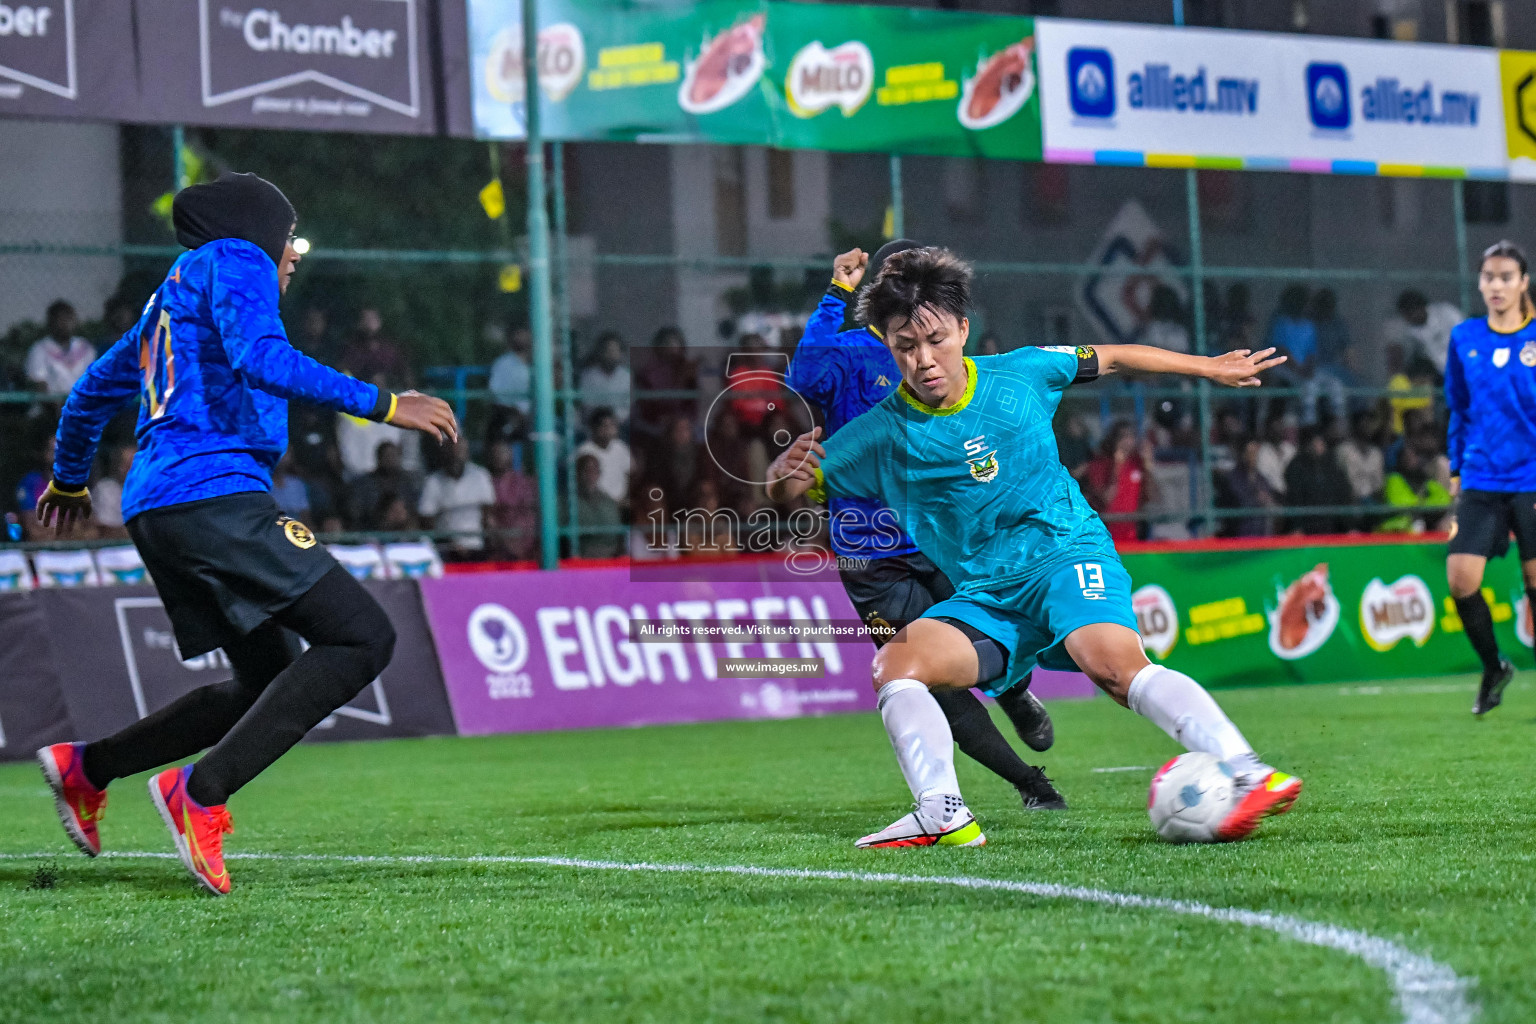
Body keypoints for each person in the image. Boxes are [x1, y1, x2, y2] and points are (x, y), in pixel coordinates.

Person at [766, 247, 1300, 848]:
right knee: (897, 665)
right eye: (905, 347)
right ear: (888, 347)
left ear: (962, 329)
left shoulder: (1021, 372)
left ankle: (1246, 769)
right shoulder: (878, 432)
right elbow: (794, 485)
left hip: (1065, 554)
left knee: (1114, 667)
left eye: (935, 340)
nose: (924, 360)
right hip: (988, 594)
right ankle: (943, 814)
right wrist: (783, 470)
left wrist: (1208, 368)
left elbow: (1116, 356)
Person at [32, 172, 458, 895]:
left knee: (263, 677)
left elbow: (86, 397)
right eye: (290, 237)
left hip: (159, 508)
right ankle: (199, 792)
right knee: (362, 638)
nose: (293, 254)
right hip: (215, 496)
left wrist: (72, 479)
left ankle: (88, 769)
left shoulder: (168, 297)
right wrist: (386, 404)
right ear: (258, 227)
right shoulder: (238, 260)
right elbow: (261, 357)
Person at [788, 244, 1064, 813]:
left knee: (988, 638)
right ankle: (1030, 783)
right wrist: (836, 292)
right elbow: (802, 374)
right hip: (872, 554)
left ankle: (1015, 691)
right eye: (888, 275)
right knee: (930, 680)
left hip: (942, 532)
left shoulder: (940, 346)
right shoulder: (853, 350)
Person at [1443, 240, 1536, 716]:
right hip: (1481, 477)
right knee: (1461, 579)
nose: (1496, 286)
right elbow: (1458, 407)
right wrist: (1456, 466)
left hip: (1533, 479)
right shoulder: (1464, 338)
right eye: (1488, 278)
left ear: (1523, 283)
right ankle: (1493, 666)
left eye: (1505, 277)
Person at [1082, 421, 1159, 545]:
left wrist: (1148, 469)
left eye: (1131, 436)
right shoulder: (1100, 465)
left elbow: (1153, 497)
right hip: (1104, 538)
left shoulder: (1138, 464)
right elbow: (1107, 499)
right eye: (1123, 437)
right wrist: (1117, 467)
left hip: (1131, 537)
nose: (1128, 441)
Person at [419, 438, 496, 560]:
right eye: (451, 451)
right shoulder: (433, 481)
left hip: (476, 545)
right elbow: (427, 518)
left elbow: (488, 514)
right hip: (446, 547)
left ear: (466, 453)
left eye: (459, 451)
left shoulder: (480, 476)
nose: (455, 456)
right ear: (444, 453)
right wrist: (448, 541)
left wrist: (489, 542)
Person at [1282, 427, 1355, 535]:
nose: (1318, 445)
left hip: (1331, 527)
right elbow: (1294, 498)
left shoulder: (1332, 465)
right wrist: (1297, 526)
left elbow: (1343, 496)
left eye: (1321, 441)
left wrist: (1349, 527)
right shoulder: (1297, 466)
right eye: (1315, 441)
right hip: (1307, 528)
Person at [1384, 289, 1463, 375]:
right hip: (1438, 374)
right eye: (1405, 315)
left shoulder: (1446, 313)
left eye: (1410, 314)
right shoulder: (1408, 331)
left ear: (1421, 308)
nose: (1408, 318)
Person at [27, 300, 97, 395]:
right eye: (60, 319)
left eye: (69, 318)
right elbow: (40, 385)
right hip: (51, 407)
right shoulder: (40, 349)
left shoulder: (86, 347)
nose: (65, 323)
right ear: (50, 322)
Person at [348, 440, 421, 530]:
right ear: (379, 458)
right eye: (387, 456)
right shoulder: (364, 483)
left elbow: (413, 509)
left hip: (403, 531)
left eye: (393, 455)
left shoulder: (406, 482)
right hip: (371, 530)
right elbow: (356, 512)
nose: (390, 459)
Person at [1215, 438, 1278, 537]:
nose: (1253, 456)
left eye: (1255, 453)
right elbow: (1238, 504)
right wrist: (1258, 500)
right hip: (1240, 536)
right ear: (1242, 454)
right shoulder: (1231, 479)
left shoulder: (1262, 479)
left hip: (1262, 536)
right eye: (1250, 452)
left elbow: (1271, 504)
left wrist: (1270, 503)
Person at [487, 440, 538, 560]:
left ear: (510, 454)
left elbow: (531, 512)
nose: (498, 457)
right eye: (496, 453)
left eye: (502, 452)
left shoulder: (523, 482)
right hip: (500, 545)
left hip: (525, 541)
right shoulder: (487, 481)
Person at [573, 406, 631, 508]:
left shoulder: (620, 447)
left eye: (612, 426)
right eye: (604, 426)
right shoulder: (584, 451)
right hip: (596, 505)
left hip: (622, 504)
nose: (608, 430)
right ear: (594, 428)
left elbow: (629, 474)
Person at [570, 452, 624, 558]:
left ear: (599, 473)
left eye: (594, 470)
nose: (591, 474)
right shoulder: (568, 503)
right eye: (586, 470)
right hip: (579, 562)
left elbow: (619, 536)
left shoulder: (610, 503)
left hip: (610, 561)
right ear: (576, 473)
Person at [341, 307, 410, 385]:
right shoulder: (352, 348)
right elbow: (345, 374)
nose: (369, 323)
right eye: (366, 319)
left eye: (373, 318)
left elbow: (405, 374)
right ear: (359, 323)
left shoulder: (389, 348)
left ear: (379, 321)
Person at [578, 331, 632, 427]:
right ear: (600, 352)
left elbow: (629, 406)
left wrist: (616, 418)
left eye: (615, 351)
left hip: (622, 424)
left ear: (621, 353)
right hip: (595, 424)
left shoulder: (627, 377)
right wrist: (603, 419)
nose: (611, 355)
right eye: (608, 351)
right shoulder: (589, 376)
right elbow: (587, 405)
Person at [91, 442, 135, 540]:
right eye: (129, 465)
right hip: (112, 549)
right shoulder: (106, 488)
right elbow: (107, 528)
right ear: (120, 467)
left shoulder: (149, 490)